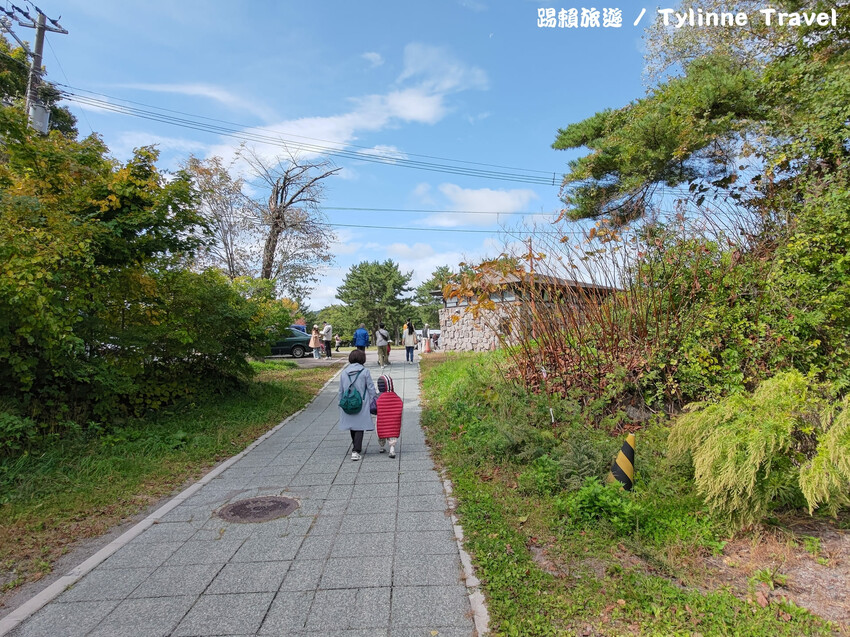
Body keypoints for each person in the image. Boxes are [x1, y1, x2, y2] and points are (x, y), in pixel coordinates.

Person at [338, 349, 377, 461]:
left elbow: (341, 389)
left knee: (352, 425)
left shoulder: (344, 372)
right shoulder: (365, 372)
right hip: (362, 402)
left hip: (347, 402)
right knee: (360, 425)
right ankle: (356, 450)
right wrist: (374, 399)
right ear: (362, 359)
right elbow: (370, 388)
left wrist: (340, 402)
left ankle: (355, 446)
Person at [375, 375, 402, 458]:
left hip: (382, 419)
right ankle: (392, 449)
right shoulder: (395, 396)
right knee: (392, 433)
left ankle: (381, 446)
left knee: (381, 432)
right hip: (393, 420)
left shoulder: (379, 396)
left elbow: (374, 408)